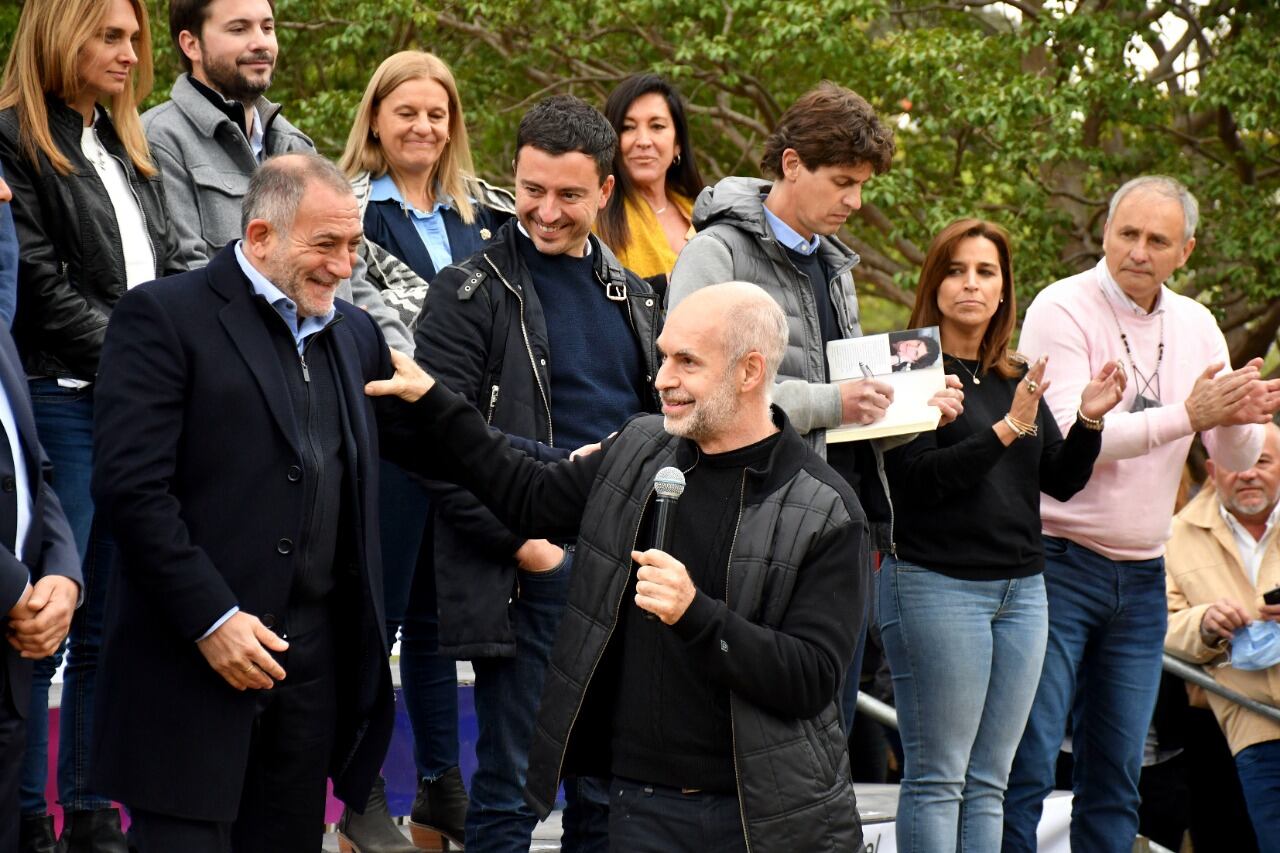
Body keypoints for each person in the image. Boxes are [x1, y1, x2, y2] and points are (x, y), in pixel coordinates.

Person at [367, 281, 869, 853]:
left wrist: (695, 614)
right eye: (662, 357)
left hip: (761, 817)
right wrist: (434, 399)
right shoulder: (641, 449)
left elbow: (810, 680)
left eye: (687, 362)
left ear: (750, 371)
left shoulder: (824, 508)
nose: (662, 379)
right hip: (637, 806)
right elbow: (525, 492)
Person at [87, 153, 404, 852]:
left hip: (307, 685)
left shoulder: (353, 334)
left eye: (352, 245)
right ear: (260, 236)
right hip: (186, 682)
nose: (344, 265)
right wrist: (213, 618)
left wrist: (569, 474)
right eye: (326, 244)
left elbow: (443, 443)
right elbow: (131, 491)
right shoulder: (163, 316)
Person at [668, 81, 963, 733]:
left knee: (826, 737)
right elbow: (691, 392)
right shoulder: (715, 253)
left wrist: (911, 408)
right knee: (759, 733)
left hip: (842, 526)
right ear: (792, 164)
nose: (855, 201)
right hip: (748, 526)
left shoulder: (836, 265)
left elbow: (847, 403)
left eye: (863, 185)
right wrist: (835, 401)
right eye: (843, 182)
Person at [412, 94, 661, 853]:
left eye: (569, 195)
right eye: (530, 189)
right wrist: (528, 546)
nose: (546, 211)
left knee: (609, 789)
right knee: (512, 790)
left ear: (607, 191)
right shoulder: (466, 291)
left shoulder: (634, 293)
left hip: (632, 567)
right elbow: (437, 444)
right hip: (533, 571)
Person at [1002, 175, 1280, 852]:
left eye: (1157, 239)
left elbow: (1228, 448)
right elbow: (1071, 438)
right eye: (1127, 233)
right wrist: (1190, 414)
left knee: (1119, 774)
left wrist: (1242, 416)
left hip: (1143, 574)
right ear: (1105, 231)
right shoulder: (1061, 306)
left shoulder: (1197, 323)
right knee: (1031, 763)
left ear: (1184, 250)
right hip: (1057, 562)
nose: (1138, 250)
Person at [0, 0, 185, 847]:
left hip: (132, 413)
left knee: (110, 616)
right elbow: (37, 282)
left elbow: (158, 274)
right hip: (61, 402)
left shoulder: (125, 145)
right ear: (59, 34)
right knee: (46, 611)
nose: (128, 51)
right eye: (109, 35)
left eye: (132, 37)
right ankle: (27, 813)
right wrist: (150, 361)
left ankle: (84, 805)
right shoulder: (11, 137)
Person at [880, 219, 1125, 852]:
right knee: (938, 779)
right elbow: (915, 483)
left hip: (1023, 591)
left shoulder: (1015, 374)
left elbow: (1060, 481)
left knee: (991, 782)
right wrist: (1007, 430)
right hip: (937, 584)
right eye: (957, 270)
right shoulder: (910, 364)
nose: (971, 284)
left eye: (986, 272)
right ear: (934, 283)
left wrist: (1090, 421)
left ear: (1003, 290)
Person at [336, 49, 515, 851]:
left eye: (437, 114)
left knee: (446, 623)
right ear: (375, 117)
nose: (423, 126)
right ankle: (363, 790)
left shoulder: (481, 214)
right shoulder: (349, 209)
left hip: (467, 440)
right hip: (386, 439)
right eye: (407, 111)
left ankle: (444, 786)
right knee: (378, 620)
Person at [144, 0, 415, 355]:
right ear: (190, 43)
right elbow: (188, 277)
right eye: (239, 29)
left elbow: (352, 275)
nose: (261, 43)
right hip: (241, 371)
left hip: (327, 368)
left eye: (267, 28)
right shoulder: (157, 139)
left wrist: (403, 363)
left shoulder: (296, 145)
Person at [0, 172, 81, 853]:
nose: (3, 198)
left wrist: (62, 573)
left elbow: (36, 470)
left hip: (16, 648)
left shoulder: (0, 336)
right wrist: (20, 588)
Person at [1166, 421, 1280, 850]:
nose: (1248, 472)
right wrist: (1204, 624)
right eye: (1236, 464)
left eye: (1262, 461)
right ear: (1212, 472)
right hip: (1251, 725)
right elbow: (1158, 625)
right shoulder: (1174, 535)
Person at [595, 73, 705, 286]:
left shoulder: (703, 212)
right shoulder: (593, 216)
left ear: (677, 143)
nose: (643, 141)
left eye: (657, 126)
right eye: (628, 127)